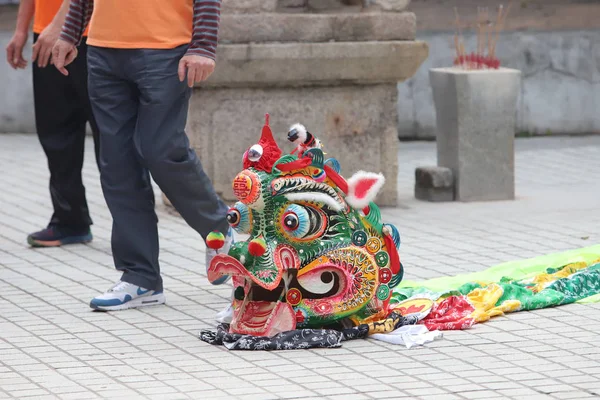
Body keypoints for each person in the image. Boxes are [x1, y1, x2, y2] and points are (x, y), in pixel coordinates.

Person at [52, 0, 234, 312]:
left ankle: (219, 230)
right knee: (117, 164)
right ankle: (140, 277)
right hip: (102, 48)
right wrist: (70, 33)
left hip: (165, 48)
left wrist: (203, 46)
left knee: (162, 151)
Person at [5, 0, 100, 248]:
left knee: (112, 138)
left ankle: (133, 226)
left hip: (95, 34)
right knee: (56, 132)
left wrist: (60, 25)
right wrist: (22, 30)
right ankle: (70, 221)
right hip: (46, 34)